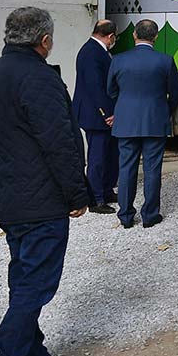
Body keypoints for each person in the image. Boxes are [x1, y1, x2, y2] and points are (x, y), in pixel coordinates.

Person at [0, 7, 89, 356]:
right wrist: (77, 195)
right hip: (40, 203)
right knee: (36, 285)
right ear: (45, 41)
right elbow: (59, 143)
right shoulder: (38, 78)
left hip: (13, 201)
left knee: (24, 280)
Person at [108, 19, 178, 229]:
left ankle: (125, 215)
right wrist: (164, 108)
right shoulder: (165, 61)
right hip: (155, 119)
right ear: (156, 36)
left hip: (126, 121)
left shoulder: (119, 60)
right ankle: (150, 215)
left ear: (134, 35)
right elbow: (176, 92)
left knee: (126, 168)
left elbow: (110, 90)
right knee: (152, 169)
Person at [72, 20, 119, 214]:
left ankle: (106, 190)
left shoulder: (95, 50)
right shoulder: (91, 52)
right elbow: (95, 87)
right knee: (97, 157)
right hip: (95, 114)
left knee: (109, 154)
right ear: (110, 36)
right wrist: (107, 113)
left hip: (98, 113)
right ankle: (96, 198)